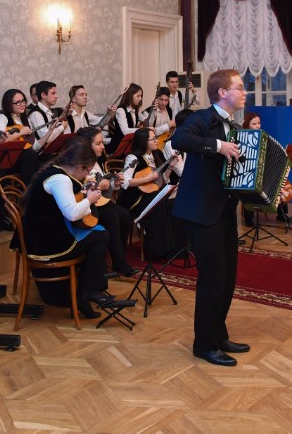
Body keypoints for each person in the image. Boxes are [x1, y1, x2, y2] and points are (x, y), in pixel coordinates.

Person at [171, 68, 250, 367]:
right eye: (240, 87)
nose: (244, 93)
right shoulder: (200, 118)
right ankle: (203, 344)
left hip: (225, 210)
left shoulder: (236, 124)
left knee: (227, 278)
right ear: (222, 92)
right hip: (202, 211)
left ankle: (219, 335)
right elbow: (180, 139)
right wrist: (218, 146)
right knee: (212, 280)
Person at [20, 137, 135, 317]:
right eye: (87, 171)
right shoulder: (60, 180)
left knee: (99, 232)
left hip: (44, 232)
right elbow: (72, 213)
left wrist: (84, 194)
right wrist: (90, 199)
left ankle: (87, 289)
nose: (86, 175)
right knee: (100, 236)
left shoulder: (57, 171)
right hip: (45, 242)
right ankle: (89, 289)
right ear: (80, 167)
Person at [74, 126, 137, 277]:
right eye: (98, 143)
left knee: (125, 215)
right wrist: (98, 186)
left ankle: (119, 258)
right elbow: (77, 189)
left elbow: (105, 191)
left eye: (102, 142)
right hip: (85, 205)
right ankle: (119, 262)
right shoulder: (77, 162)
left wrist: (115, 183)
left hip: (100, 201)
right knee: (112, 216)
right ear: (86, 145)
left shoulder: (97, 161)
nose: (103, 146)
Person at [118, 127, 181, 258]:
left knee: (171, 203)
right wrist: (146, 179)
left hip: (150, 193)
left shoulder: (156, 154)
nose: (157, 141)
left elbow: (160, 182)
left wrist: (170, 166)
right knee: (159, 204)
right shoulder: (133, 157)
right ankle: (157, 251)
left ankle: (173, 248)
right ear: (143, 142)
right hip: (134, 197)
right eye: (153, 139)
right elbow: (125, 182)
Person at [109, 83, 145, 154]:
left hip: (130, 145)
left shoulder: (135, 110)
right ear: (130, 96)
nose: (140, 99)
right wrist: (142, 130)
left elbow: (145, 120)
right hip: (119, 146)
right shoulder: (121, 110)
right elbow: (125, 131)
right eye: (138, 96)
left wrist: (153, 110)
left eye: (141, 96)